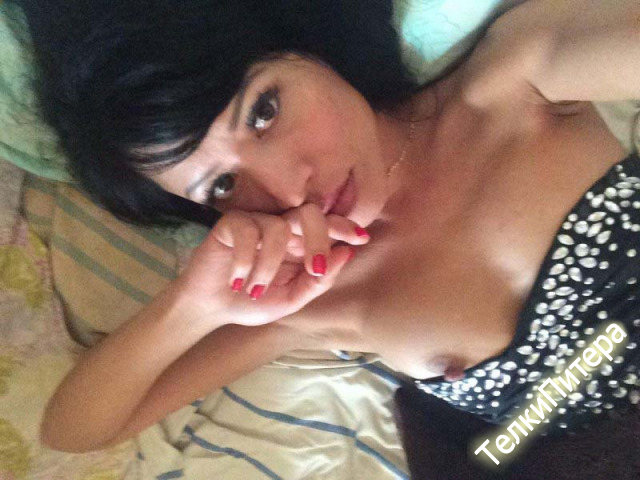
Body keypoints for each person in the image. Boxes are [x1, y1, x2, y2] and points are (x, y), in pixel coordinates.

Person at [13, 0, 640, 464]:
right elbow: (76, 431)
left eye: (264, 110)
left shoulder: (513, 85)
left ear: (303, 48)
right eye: (222, 186)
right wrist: (193, 306)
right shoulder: (313, 299)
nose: (288, 189)